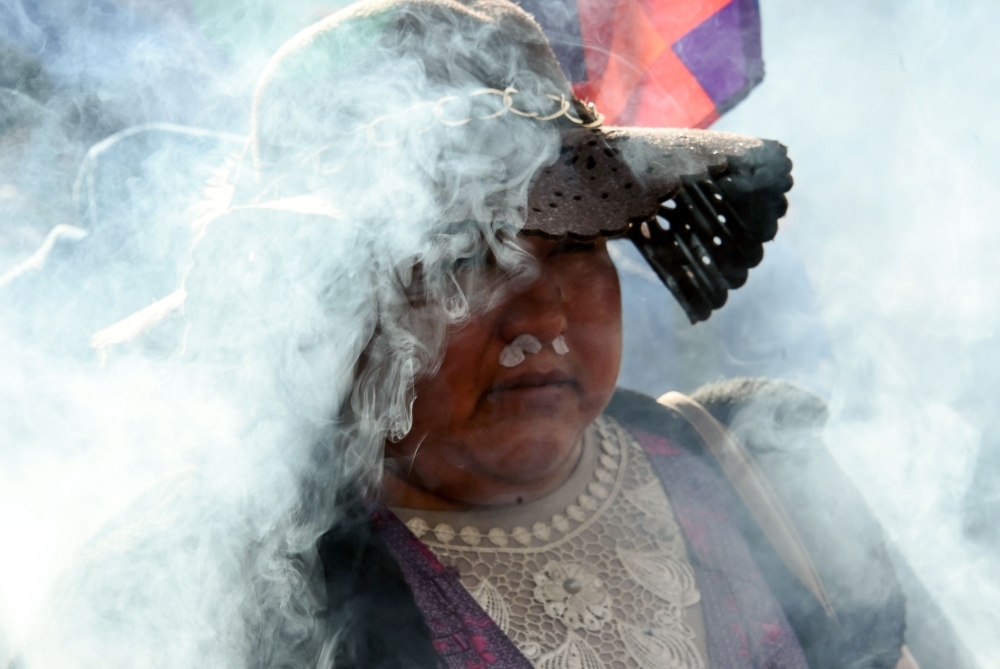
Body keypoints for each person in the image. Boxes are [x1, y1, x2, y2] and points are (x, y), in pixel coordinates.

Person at [72, 1, 920, 668]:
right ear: (329, 304)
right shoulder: (223, 596)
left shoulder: (753, 468)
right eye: (464, 255)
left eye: (575, 245)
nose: (541, 314)